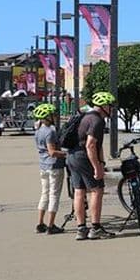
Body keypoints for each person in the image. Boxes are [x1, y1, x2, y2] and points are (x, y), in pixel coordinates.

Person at [66, 91, 116, 241]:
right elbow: (91, 145)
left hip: (72, 156)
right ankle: (95, 227)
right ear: (104, 106)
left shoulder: (85, 117)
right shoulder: (97, 121)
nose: (112, 109)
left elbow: (97, 146)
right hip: (84, 157)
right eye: (111, 106)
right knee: (96, 190)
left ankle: (81, 229)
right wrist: (97, 167)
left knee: (79, 191)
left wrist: (102, 162)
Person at [32, 103, 66, 234]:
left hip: (43, 166)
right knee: (54, 195)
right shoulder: (50, 132)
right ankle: (51, 225)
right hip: (54, 166)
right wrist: (66, 154)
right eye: (52, 114)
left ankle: (40, 223)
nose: (55, 116)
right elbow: (52, 151)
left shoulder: (38, 131)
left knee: (44, 194)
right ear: (47, 117)